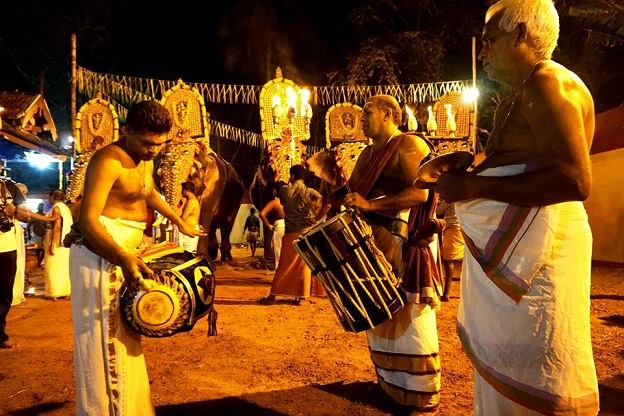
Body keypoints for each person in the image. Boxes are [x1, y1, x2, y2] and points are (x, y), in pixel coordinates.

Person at [435, 1, 599, 414]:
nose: (483, 53)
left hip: (542, 254)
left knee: (538, 361)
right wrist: (471, 168)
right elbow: (523, 165)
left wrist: (470, 184)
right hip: (526, 249)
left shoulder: (548, 83)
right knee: (515, 366)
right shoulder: (524, 90)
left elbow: (574, 180)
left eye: (490, 41)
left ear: (521, 34)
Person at [66, 100, 204, 415]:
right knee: (106, 345)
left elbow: (148, 191)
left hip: (123, 254)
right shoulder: (108, 161)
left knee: (125, 340)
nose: (154, 150)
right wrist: (122, 257)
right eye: (147, 143)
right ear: (126, 130)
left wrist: (178, 219)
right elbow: (87, 221)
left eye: (160, 144)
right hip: (101, 254)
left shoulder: (144, 157)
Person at [341, 94, 442, 413]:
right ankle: (390, 385)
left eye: (367, 112)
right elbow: (353, 193)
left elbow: (420, 192)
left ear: (387, 114)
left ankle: (419, 395)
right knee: (380, 314)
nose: (361, 117)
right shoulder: (367, 153)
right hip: (374, 246)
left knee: (409, 317)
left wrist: (371, 205)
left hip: (404, 244)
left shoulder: (410, 145)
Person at [259, 165, 326, 305]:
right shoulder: (310, 192)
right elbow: (323, 200)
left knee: (284, 265)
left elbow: (283, 202)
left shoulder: (284, 191)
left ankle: (273, 296)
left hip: (290, 233)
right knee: (303, 266)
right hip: (306, 232)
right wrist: (316, 216)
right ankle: (300, 297)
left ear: (293, 176)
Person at [0, 167, 50, 349]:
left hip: (6, 247)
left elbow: (25, 216)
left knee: (4, 293)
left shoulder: (9, 187)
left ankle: (0, 335)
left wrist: (14, 210)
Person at [43, 190, 73, 300]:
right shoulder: (65, 208)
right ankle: (64, 291)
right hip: (65, 243)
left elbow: (57, 226)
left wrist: (52, 244)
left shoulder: (56, 208)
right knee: (63, 267)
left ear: (52, 197)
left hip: (56, 240)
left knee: (52, 267)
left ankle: (53, 293)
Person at [438, 200, 464, 302]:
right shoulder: (467, 193)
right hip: (464, 228)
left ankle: (446, 293)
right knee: (464, 261)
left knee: (449, 260)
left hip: (453, 228)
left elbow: (437, 211)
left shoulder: (451, 195)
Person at [259, 191, 285, 269]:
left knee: (278, 250)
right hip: (291, 226)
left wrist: (269, 226)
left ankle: (279, 270)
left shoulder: (275, 202)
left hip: (279, 226)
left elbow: (262, 214)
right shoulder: (289, 202)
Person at [177, 181, 200, 254]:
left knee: (188, 255)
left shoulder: (192, 201)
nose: (181, 192)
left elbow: (183, 217)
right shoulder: (189, 201)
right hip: (186, 230)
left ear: (188, 190)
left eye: (182, 189)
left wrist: (174, 219)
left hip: (190, 230)